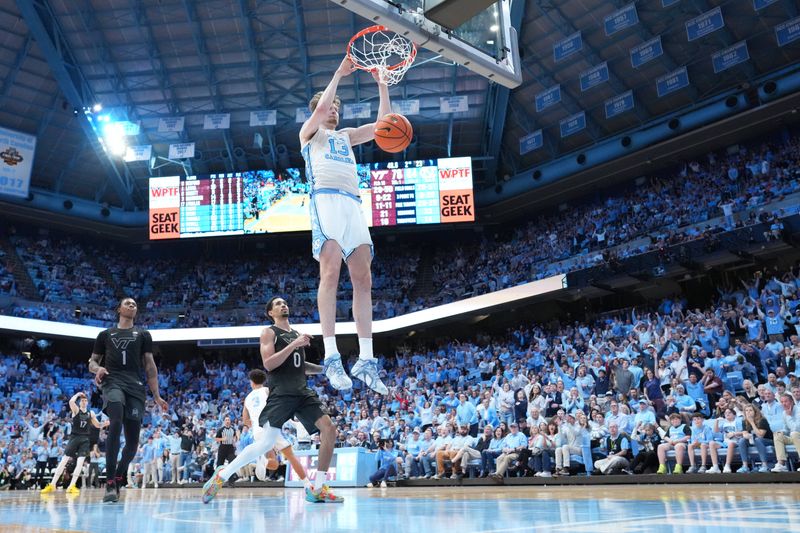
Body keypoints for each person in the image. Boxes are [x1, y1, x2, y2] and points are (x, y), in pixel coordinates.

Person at [299, 56, 391, 396]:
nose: (334, 110)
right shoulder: (309, 134)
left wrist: (382, 84)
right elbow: (320, 112)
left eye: (338, 106)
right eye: (330, 106)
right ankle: (332, 356)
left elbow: (384, 126)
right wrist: (338, 73)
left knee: (363, 278)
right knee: (330, 273)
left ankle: (366, 360)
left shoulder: (347, 136)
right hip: (326, 200)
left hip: (353, 203)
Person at [202, 297, 343, 504]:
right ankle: (221, 476)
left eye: (285, 302)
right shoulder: (269, 333)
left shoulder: (295, 334)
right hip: (281, 393)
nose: (283, 305)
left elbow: (300, 366)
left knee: (329, 429)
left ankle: (318, 488)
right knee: (266, 443)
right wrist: (295, 343)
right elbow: (269, 364)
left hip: (302, 392)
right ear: (270, 312)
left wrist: (325, 370)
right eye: (277, 304)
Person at [89, 297, 168, 503]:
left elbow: (150, 366)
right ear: (118, 309)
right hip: (112, 381)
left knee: (132, 444)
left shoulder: (143, 334)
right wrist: (98, 369)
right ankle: (109, 483)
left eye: (134, 304)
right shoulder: (105, 335)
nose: (132, 306)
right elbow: (92, 361)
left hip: (135, 386)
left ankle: (119, 475)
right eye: (128, 303)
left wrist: (157, 396)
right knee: (115, 421)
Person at [241, 369, 310, 485]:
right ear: (264, 381)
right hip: (270, 427)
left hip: (257, 432)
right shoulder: (267, 391)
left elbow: (245, 421)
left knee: (274, 464)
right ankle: (308, 485)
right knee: (291, 457)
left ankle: (262, 462)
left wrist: (255, 423)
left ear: (251, 382)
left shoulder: (247, 398)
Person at [40, 392, 107, 496]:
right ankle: (52, 484)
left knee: (80, 463)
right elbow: (71, 401)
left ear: (88, 402)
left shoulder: (91, 413)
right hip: (74, 437)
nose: (84, 402)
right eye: (82, 401)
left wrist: (104, 424)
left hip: (85, 439)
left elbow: (97, 425)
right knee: (64, 460)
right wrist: (77, 394)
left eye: (85, 401)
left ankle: (72, 486)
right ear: (79, 402)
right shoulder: (76, 410)